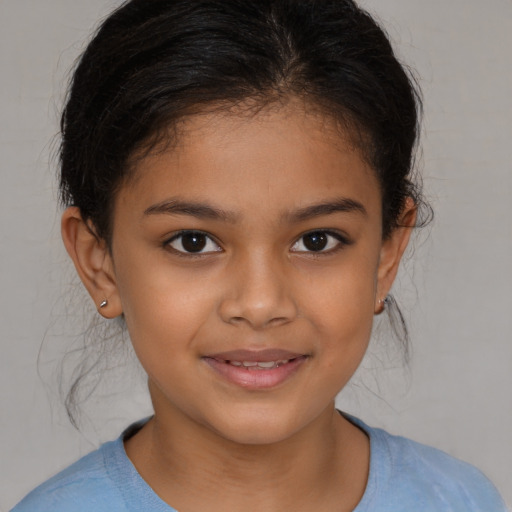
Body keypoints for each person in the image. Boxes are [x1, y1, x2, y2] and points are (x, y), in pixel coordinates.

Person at [11, 0, 507, 510]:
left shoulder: (462, 500)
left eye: (317, 240)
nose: (261, 302)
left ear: (386, 254)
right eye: (193, 241)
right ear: (100, 264)